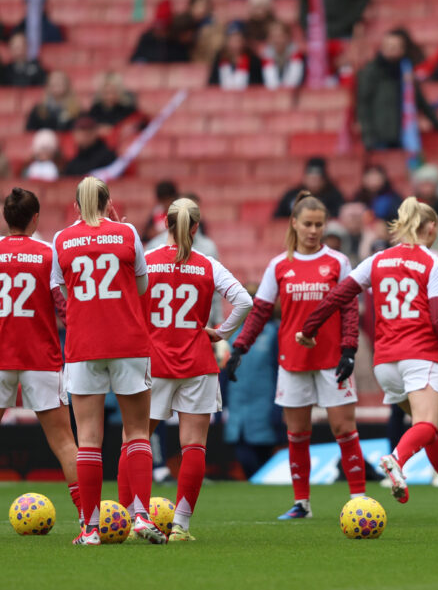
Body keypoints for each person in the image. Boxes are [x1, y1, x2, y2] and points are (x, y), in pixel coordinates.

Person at [297, 197, 438, 517]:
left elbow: (338, 294)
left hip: (385, 362)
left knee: (430, 430)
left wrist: (309, 328)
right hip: (420, 356)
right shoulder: (434, 262)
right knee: (426, 423)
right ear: (431, 227)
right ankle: (397, 460)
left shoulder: (377, 260)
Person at [227, 192, 366, 519]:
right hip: (293, 360)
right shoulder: (278, 265)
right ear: (294, 223)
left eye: (319, 224)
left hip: (333, 359)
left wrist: (349, 348)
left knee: (344, 429)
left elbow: (349, 309)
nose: (314, 230)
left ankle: (359, 499)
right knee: (297, 433)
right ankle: (302, 503)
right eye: (308, 224)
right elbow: (259, 312)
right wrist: (239, 347)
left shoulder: (338, 262)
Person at [0, 188, 81, 539]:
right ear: (35, 219)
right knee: (63, 442)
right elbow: (63, 309)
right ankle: (88, 519)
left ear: (5, 219)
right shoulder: (48, 254)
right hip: (40, 356)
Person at [53, 176, 163, 545]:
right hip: (128, 342)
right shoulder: (128, 233)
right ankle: (142, 517)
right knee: (136, 433)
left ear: (75, 205)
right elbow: (143, 286)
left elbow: (62, 293)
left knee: (88, 439)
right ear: (108, 201)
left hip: (84, 346)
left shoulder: (62, 239)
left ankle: (90, 528)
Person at [142, 198, 253, 540]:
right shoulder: (208, 264)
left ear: (165, 225)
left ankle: (138, 518)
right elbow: (245, 301)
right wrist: (221, 332)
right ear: (195, 228)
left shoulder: (145, 261)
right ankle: (181, 526)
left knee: (136, 439)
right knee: (194, 445)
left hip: (155, 362)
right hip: (198, 364)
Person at [356, 30, 438, 150]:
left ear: (402, 50)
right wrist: (368, 133)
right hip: (379, 136)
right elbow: (363, 103)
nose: (390, 50)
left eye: (394, 47)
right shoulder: (372, 71)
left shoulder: (406, 72)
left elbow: (420, 102)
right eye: (387, 46)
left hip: (402, 135)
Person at [224, 300, 284, 478]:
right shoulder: (233, 334)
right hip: (237, 405)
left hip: (265, 404)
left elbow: (280, 369)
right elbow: (223, 371)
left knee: (262, 455)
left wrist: (277, 406)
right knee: (243, 454)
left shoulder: (274, 332)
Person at [274, 157, 345, 218]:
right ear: (304, 178)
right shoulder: (292, 195)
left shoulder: (334, 196)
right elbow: (278, 218)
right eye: (311, 178)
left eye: (317, 179)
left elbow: (338, 217)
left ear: (324, 180)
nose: (313, 182)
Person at [209, 22, 265, 91]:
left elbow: (258, 86)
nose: (234, 44)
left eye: (237, 40)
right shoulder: (219, 60)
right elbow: (212, 85)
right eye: (231, 40)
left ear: (244, 41)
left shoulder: (254, 62)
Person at [131, 0, 189, 64]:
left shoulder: (176, 42)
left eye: (164, 28)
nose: (160, 31)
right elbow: (135, 59)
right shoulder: (147, 39)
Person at [174, 0, 223, 64]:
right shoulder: (183, 23)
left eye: (205, 6)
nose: (202, 10)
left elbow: (216, 48)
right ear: (191, 7)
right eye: (199, 6)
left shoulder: (214, 26)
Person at [261, 21, 305, 89]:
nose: (277, 40)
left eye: (280, 36)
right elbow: (271, 83)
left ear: (288, 37)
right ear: (268, 39)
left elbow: (293, 81)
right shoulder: (265, 55)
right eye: (273, 37)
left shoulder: (297, 54)